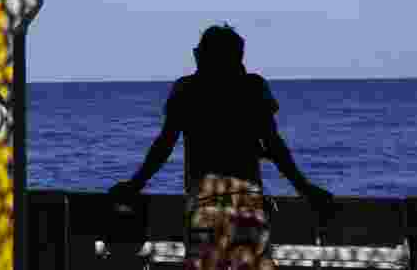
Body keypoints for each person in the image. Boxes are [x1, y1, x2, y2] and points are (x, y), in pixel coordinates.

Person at [109, 24, 336, 269]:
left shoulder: (186, 90)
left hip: (204, 204)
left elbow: (164, 145)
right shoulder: (253, 88)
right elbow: (274, 145)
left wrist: (136, 184)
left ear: (204, 55)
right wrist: (305, 188)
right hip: (247, 204)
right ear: (238, 56)